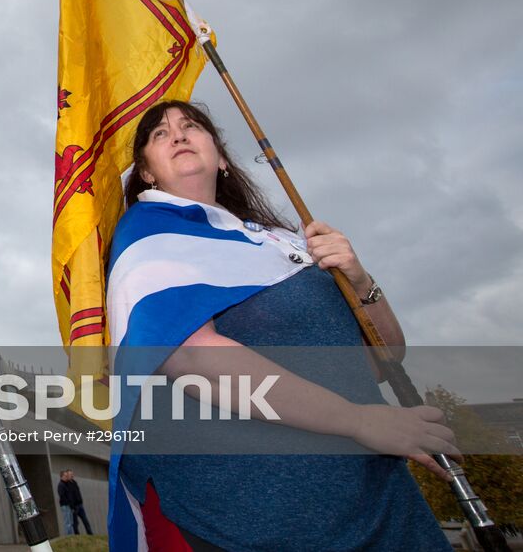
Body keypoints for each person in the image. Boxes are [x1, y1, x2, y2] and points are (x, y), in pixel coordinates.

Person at [103, 101, 455, 552]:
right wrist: (359, 419)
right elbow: (191, 356)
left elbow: (381, 360)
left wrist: (360, 279)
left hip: (377, 497)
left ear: (222, 157)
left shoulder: (285, 243)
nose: (178, 135)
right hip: (261, 517)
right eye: (159, 134)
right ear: (146, 173)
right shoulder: (147, 234)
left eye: (191, 126)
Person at [58, 469, 93, 536]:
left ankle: (90, 533)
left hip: (79, 504)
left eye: (72, 474)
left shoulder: (74, 482)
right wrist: (72, 505)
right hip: (73, 506)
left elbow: (77, 493)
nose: (72, 475)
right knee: (74, 522)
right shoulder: (65, 484)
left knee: (85, 520)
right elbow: (64, 496)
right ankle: (76, 535)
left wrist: (80, 501)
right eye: (69, 475)